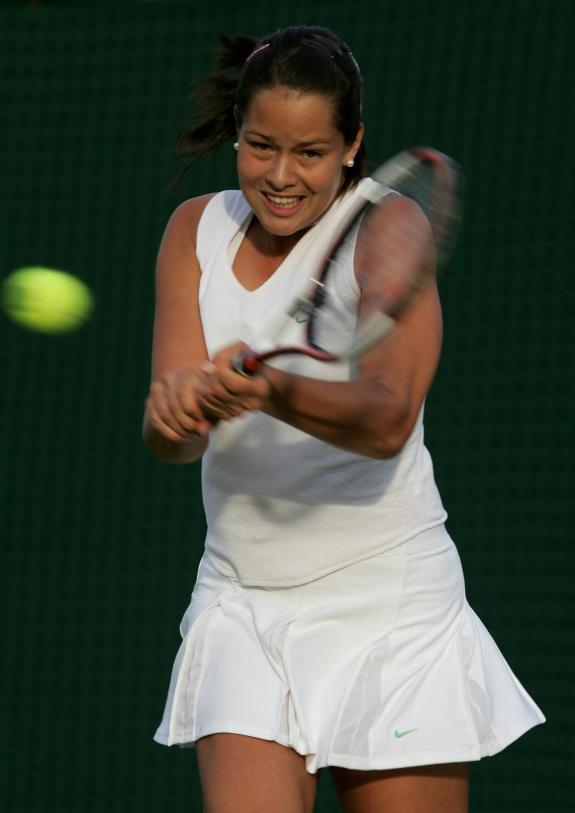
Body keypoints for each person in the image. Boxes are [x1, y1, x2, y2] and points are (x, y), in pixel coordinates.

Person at [143, 25, 544, 813]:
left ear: (352, 146)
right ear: (236, 133)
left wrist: (271, 390)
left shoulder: (390, 227)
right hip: (242, 601)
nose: (281, 176)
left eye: (310, 153)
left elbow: (387, 417)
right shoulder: (194, 231)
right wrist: (176, 411)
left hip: (389, 607)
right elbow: (175, 441)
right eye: (260, 146)